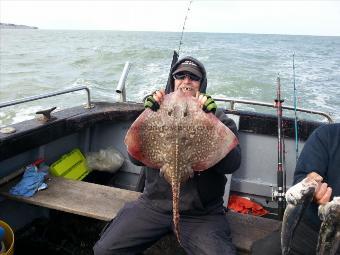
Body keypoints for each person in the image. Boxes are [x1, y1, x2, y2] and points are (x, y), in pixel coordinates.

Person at [93, 56, 241, 255]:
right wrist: (147, 115)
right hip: (154, 205)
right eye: (180, 75)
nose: (186, 81)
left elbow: (232, 164)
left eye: (194, 78)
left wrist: (211, 120)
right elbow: (135, 159)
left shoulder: (217, 116)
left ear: (202, 85)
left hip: (201, 213)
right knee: (105, 250)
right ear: (172, 81)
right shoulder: (156, 108)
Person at [251, 123, 340, 255]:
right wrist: (312, 184)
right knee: (266, 250)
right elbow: (303, 177)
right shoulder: (327, 135)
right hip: (314, 227)